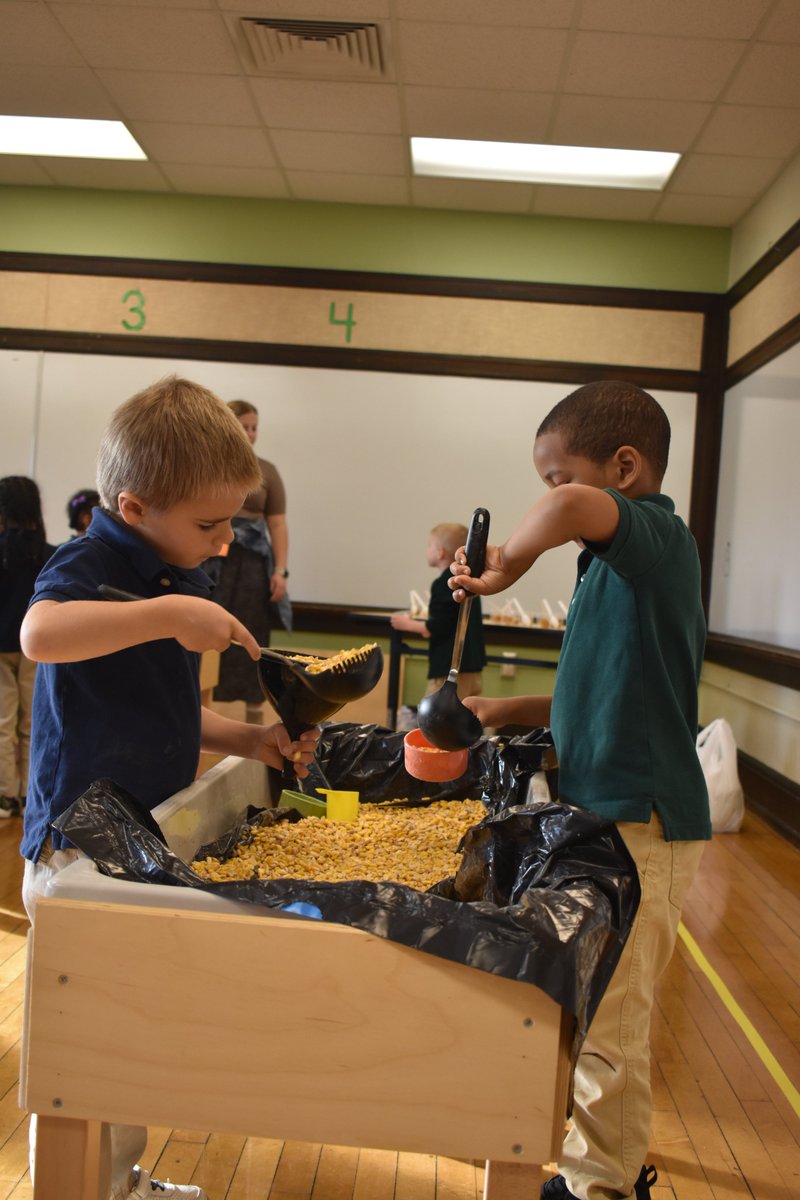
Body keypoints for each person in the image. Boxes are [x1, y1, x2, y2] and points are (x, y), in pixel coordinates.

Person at [19, 376, 319, 1200]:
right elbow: (40, 634)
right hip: (76, 841)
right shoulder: (91, 561)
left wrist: (251, 736)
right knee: (80, 1044)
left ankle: (119, 1180)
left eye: (233, 523)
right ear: (135, 504)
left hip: (139, 835)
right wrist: (166, 618)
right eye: (210, 524)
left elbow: (172, 713)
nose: (226, 542)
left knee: (128, 1032)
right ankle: (80, 1186)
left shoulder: (178, 567)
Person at [448, 381, 710, 1200]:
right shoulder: (610, 567)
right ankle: (594, 1151)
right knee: (588, 1001)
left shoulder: (658, 538)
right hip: (602, 817)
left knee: (615, 1021)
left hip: (646, 823)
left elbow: (565, 513)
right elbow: (603, 694)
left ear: (623, 470)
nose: (552, 498)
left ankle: (605, 1183)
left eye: (559, 477)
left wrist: (503, 567)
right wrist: (507, 708)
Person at [205, 399, 290, 723]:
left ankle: (255, 717)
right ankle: (203, 714)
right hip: (211, 558)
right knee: (209, 628)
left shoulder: (266, 470)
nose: (251, 433)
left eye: (255, 428)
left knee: (252, 633)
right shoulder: (206, 465)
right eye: (244, 426)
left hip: (253, 562)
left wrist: (280, 570)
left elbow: (278, 524)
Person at [0, 476, 55, 819]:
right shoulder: (48, 554)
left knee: (2, 723)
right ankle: (30, 794)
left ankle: (6, 797)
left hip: (0, 647)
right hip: (37, 648)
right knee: (33, 723)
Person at [390, 522, 486, 706]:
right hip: (473, 666)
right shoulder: (469, 581)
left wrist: (408, 624)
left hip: (450, 669)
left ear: (440, 552)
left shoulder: (443, 583)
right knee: (463, 716)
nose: (427, 549)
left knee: (436, 717)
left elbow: (440, 625)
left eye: (429, 545)